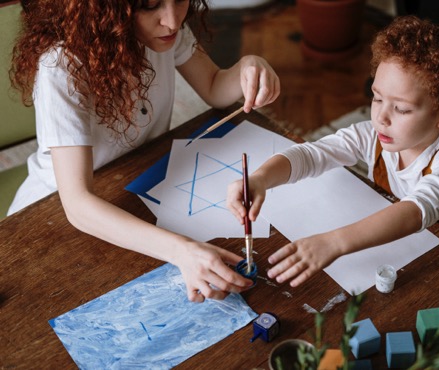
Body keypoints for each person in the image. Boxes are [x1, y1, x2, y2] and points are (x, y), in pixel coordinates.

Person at [8, 0, 280, 302]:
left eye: (179, 0)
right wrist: (182, 250)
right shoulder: (61, 67)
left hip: (140, 181)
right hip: (53, 215)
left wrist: (249, 66)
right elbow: (77, 203)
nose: (173, 20)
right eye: (150, 5)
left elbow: (215, 87)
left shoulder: (162, 32)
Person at [227, 15, 439, 288]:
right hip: (389, 250)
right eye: (377, 98)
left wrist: (333, 242)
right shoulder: (373, 135)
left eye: (401, 108)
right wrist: (260, 179)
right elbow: (313, 155)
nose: (381, 117)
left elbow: (416, 210)